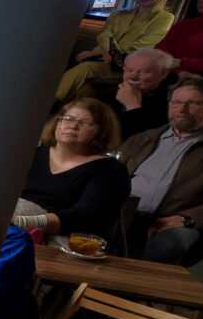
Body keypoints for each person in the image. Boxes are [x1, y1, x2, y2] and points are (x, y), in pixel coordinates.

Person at [119, 75, 203, 264]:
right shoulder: (143, 138)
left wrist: (187, 219)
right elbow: (112, 175)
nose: (181, 109)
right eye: (176, 102)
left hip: (176, 221)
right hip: (126, 213)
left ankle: (136, 283)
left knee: (169, 243)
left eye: (193, 103)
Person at [21, 99, 131, 245]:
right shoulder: (30, 155)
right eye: (68, 119)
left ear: (101, 132)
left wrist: (26, 222)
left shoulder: (111, 170)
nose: (73, 126)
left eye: (85, 123)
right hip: (16, 227)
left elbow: (85, 217)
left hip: (67, 239)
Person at [56, 0, 173, 104]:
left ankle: (49, 102)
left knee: (86, 68)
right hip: (103, 61)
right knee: (86, 87)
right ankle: (73, 111)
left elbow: (140, 46)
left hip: (126, 67)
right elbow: (104, 37)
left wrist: (100, 54)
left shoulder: (165, 19)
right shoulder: (118, 14)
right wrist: (105, 53)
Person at [108, 47, 176, 141]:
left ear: (163, 73)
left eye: (143, 71)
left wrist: (132, 106)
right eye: (129, 70)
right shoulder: (115, 94)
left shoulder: (175, 100)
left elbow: (147, 140)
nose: (133, 77)